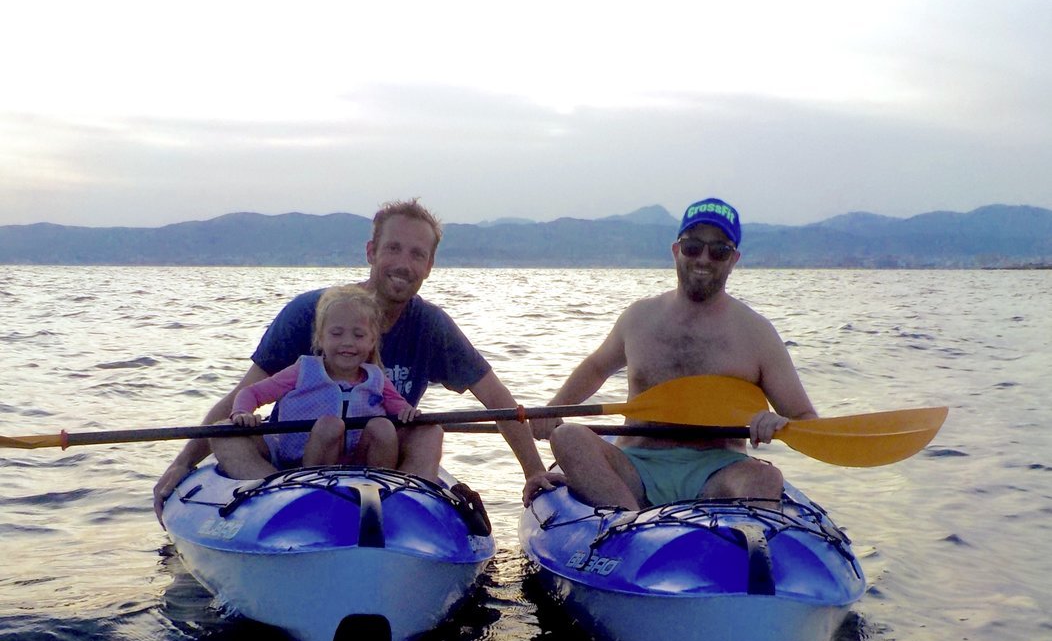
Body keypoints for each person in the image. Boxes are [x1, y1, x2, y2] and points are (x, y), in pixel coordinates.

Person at [153, 199, 559, 515]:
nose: (404, 264)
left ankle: (405, 507)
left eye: (417, 254)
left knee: (430, 431)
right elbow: (243, 394)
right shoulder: (310, 313)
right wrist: (182, 463)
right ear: (371, 252)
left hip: (377, 452)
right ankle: (279, 499)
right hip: (297, 452)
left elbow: (498, 402)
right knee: (226, 433)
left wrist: (533, 471)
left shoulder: (433, 326)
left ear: (430, 265)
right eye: (393, 249)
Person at [533, 197, 817, 510]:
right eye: (693, 247)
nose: (704, 259)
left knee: (766, 479)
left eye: (718, 250)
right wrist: (553, 408)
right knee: (568, 438)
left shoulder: (757, 333)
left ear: (734, 259)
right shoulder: (639, 318)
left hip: (716, 472)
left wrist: (777, 422)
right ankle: (629, 526)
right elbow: (597, 367)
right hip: (635, 466)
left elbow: (804, 418)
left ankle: (727, 541)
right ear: (675, 251)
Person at [229, 285, 416, 470]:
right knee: (329, 426)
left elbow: (402, 410)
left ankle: (381, 487)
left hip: (357, 466)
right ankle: (302, 484)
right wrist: (242, 413)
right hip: (297, 466)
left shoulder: (377, 379)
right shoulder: (303, 371)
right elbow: (251, 393)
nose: (348, 342)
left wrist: (409, 413)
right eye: (336, 334)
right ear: (320, 338)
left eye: (359, 335)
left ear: (372, 341)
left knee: (383, 426)